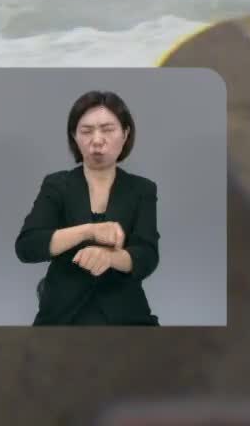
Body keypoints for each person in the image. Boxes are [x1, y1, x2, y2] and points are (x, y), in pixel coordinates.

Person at [13, 90, 161, 325]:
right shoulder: (56, 184)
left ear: (125, 134)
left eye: (108, 129)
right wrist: (89, 232)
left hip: (126, 316)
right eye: (86, 131)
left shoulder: (142, 189)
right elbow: (27, 247)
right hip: (62, 316)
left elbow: (147, 256)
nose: (97, 139)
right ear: (74, 136)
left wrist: (110, 257)